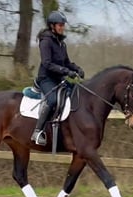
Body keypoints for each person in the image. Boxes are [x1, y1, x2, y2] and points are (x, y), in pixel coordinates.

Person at [31, 11, 85, 146]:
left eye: (63, 25)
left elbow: (66, 62)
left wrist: (76, 69)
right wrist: (66, 72)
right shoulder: (46, 41)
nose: (62, 27)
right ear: (52, 26)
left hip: (58, 78)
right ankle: (38, 131)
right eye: (60, 25)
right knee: (53, 100)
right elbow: (47, 63)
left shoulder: (61, 43)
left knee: (76, 93)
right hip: (46, 79)